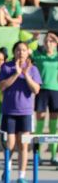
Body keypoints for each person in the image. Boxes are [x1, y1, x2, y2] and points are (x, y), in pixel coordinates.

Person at [0, 41, 42, 183]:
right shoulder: (6, 67)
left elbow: (36, 90)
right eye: (18, 50)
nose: (21, 53)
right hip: (9, 111)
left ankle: (21, 177)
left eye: (23, 50)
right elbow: (2, 86)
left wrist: (25, 75)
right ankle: (8, 170)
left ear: (28, 52)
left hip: (26, 112)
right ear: (14, 52)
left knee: (23, 145)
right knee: (10, 144)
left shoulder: (33, 69)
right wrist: (16, 73)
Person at [33, 32, 58, 165]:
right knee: (40, 125)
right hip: (41, 91)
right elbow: (25, 49)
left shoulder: (56, 57)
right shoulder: (38, 56)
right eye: (46, 41)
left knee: (54, 126)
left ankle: (54, 155)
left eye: (51, 41)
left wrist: (56, 38)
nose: (48, 43)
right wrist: (33, 39)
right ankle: (38, 155)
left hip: (55, 91)